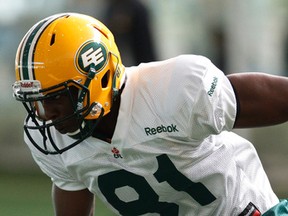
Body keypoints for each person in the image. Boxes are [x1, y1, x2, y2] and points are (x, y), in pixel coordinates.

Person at [12, 13, 288, 216]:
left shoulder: (175, 89)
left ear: (99, 78)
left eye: (57, 97)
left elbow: (277, 98)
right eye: (37, 100)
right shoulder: (50, 139)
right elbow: (71, 188)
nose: (46, 114)